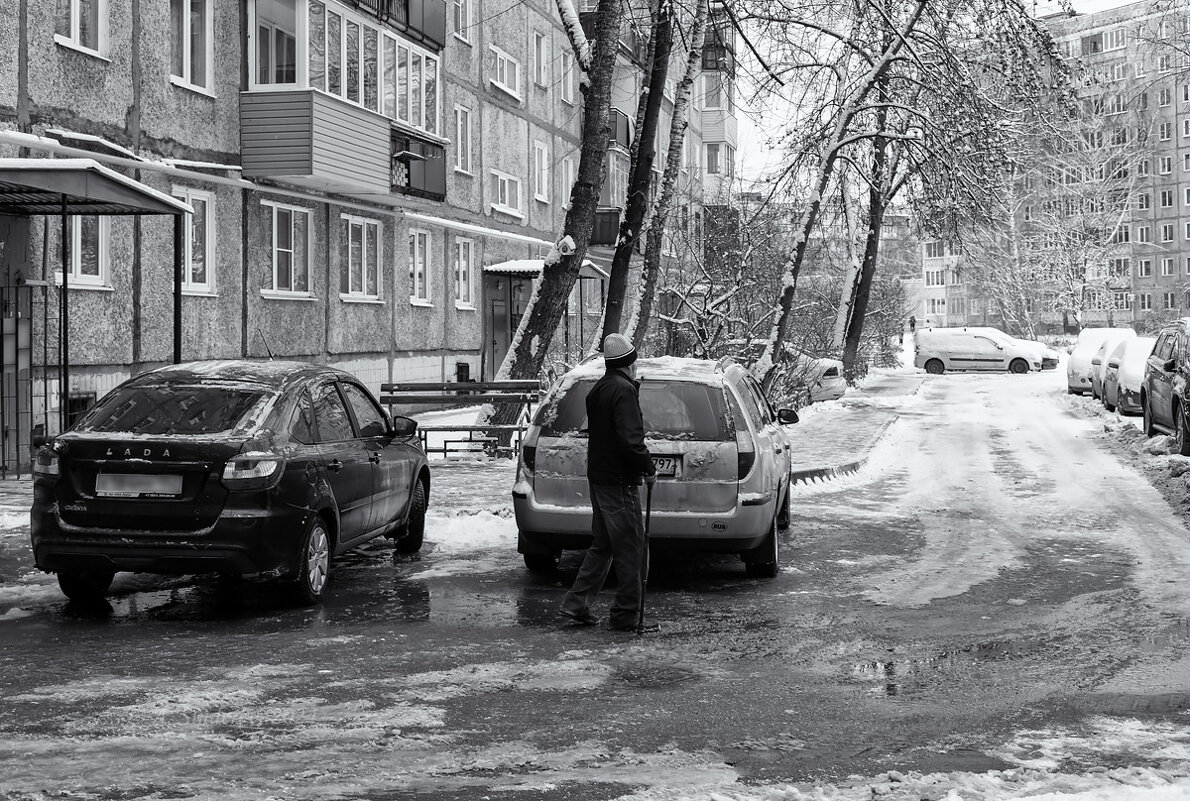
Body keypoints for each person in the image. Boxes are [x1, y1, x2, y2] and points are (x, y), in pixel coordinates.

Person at [560, 333, 657, 632]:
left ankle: (577, 605)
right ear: (628, 364)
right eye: (635, 362)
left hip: (600, 479)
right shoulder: (624, 391)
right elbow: (631, 441)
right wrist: (648, 468)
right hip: (619, 482)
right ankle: (626, 614)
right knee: (631, 548)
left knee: (603, 545)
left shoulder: (599, 389)